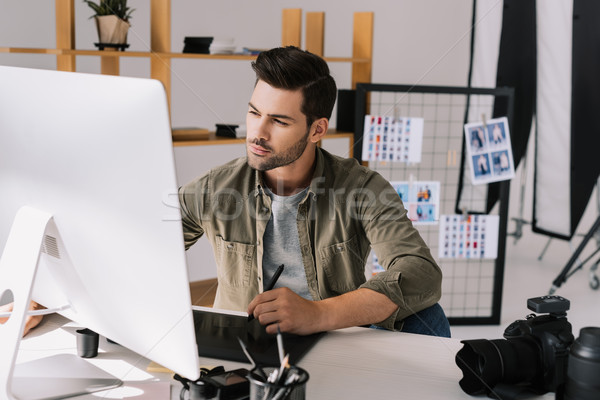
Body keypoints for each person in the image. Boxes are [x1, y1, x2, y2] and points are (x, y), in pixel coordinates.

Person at [179, 46, 449, 337]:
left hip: (332, 336)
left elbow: (421, 274)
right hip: (246, 346)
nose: (258, 132)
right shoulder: (215, 189)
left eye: (279, 121)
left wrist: (318, 314)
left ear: (317, 130)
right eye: (254, 113)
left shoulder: (362, 188)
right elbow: (140, 245)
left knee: (428, 316)